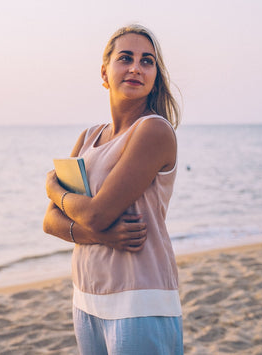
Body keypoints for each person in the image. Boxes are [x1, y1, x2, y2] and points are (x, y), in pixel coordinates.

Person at [43, 24, 182, 354]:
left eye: (147, 61)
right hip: (87, 297)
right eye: (125, 58)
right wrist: (100, 236)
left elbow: (96, 213)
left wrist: (52, 188)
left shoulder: (153, 131)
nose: (136, 67)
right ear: (105, 73)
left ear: (154, 78)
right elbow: (50, 222)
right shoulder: (88, 137)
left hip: (139, 301)